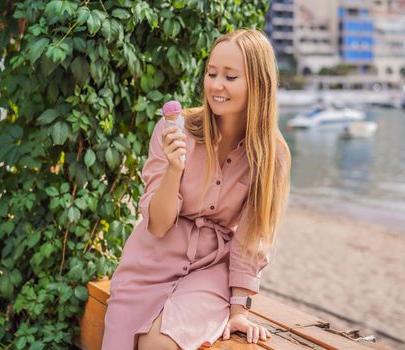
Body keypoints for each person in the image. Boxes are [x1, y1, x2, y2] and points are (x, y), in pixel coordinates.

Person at [102, 28, 291, 350]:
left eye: (230, 77)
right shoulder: (172, 129)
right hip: (151, 262)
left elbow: (251, 237)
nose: (216, 85)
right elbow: (158, 224)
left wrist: (238, 311)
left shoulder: (272, 154)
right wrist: (174, 168)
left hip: (212, 268)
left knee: (158, 344)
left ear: (259, 85)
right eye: (211, 73)